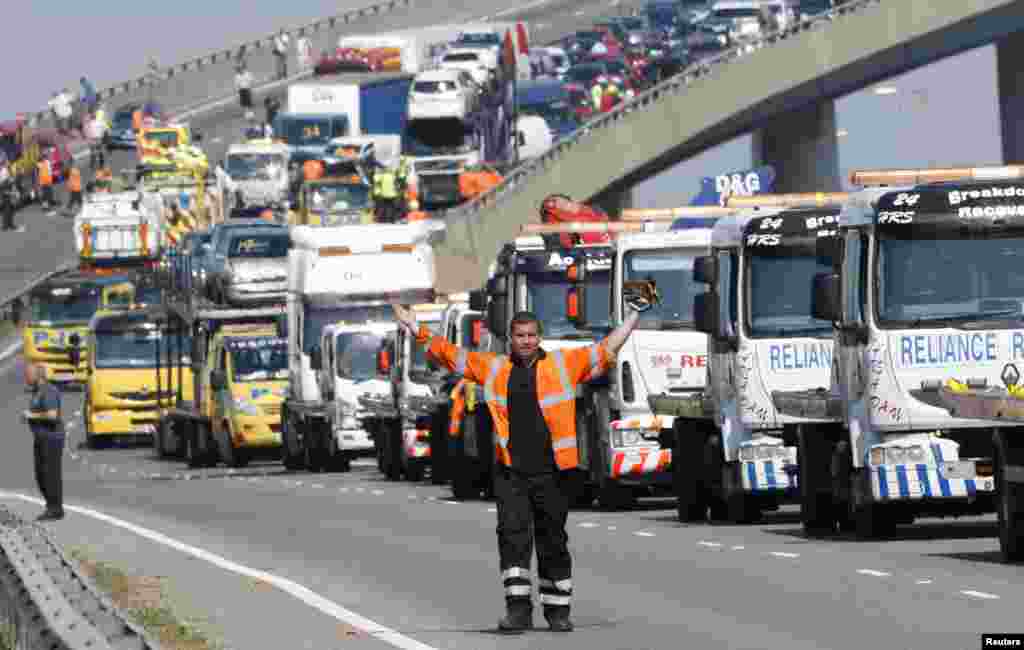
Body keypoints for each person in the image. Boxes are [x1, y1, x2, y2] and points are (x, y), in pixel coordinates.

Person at [391, 303, 644, 634]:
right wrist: (416, 327)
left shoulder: (564, 364)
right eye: (519, 335)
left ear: (540, 338)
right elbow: (451, 354)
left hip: (553, 473)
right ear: (509, 338)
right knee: (512, 539)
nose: (525, 341)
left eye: (531, 335)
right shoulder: (494, 368)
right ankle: (518, 611)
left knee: (553, 540)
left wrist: (633, 318)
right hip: (512, 473)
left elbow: (607, 348)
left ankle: (558, 612)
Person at [23, 363, 65, 521]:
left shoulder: (48, 391)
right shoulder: (37, 391)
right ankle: (52, 505)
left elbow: (53, 415)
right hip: (41, 437)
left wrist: (30, 416)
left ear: (38, 376)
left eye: (28, 374)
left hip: (51, 438)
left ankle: (55, 508)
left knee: (50, 474)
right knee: (40, 475)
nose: (25, 377)